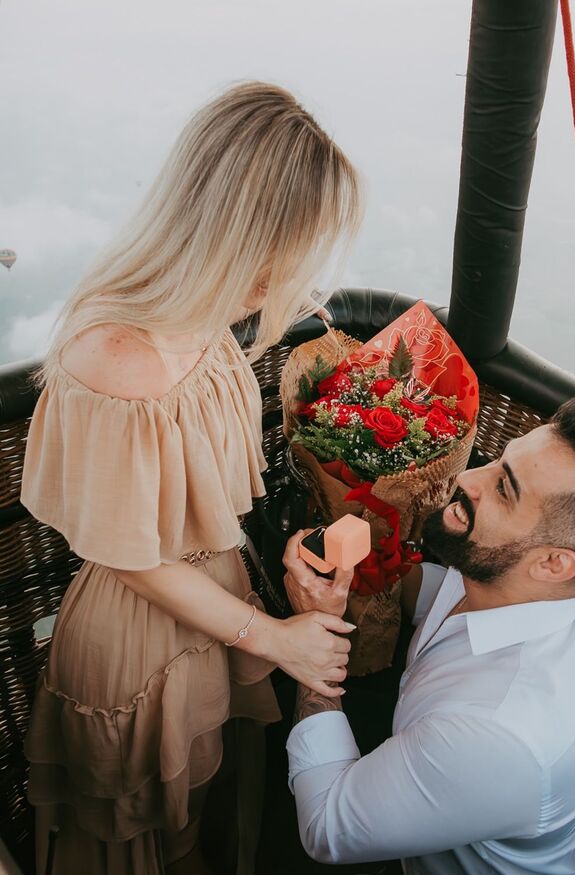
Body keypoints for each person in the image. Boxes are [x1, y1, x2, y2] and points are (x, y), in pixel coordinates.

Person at [20, 81, 361, 875]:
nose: (283, 279)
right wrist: (274, 637)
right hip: (140, 640)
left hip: (215, 607)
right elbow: (133, 559)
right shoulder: (116, 354)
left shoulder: (202, 312)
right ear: (233, 231)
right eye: (284, 250)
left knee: (201, 813)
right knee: (149, 839)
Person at [282, 392, 575, 875]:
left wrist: (311, 649)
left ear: (554, 563)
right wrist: (378, 568)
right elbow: (442, 601)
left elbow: (326, 829)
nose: (467, 479)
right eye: (498, 462)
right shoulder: (528, 580)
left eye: (505, 490)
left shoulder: (500, 735)